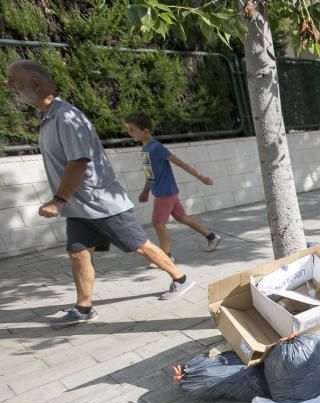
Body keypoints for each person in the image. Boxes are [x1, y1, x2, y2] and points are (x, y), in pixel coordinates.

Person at [4, 60, 195, 328]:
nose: (8, 84)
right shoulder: (48, 118)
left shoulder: (66, 118)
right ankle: (84, 308)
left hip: (101, 202)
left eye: (13, 79)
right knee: (78, 252)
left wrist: (58, 201)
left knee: (139, 244)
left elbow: (78, 162)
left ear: (35, 83)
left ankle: (181, 279)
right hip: (79, 207)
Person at [123, 112, 221, 264]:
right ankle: (211, 237)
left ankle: (166, 257)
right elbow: (150, 174)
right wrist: (145, 191)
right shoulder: (145, 151)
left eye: (132, 129)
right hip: (162, 192)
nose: (129, 133)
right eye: (128, 129)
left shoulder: (156, 147)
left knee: (158, 222)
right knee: (181, 217)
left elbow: (179, 162)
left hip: (165, 192)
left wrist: (200, 177)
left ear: (145, 131)